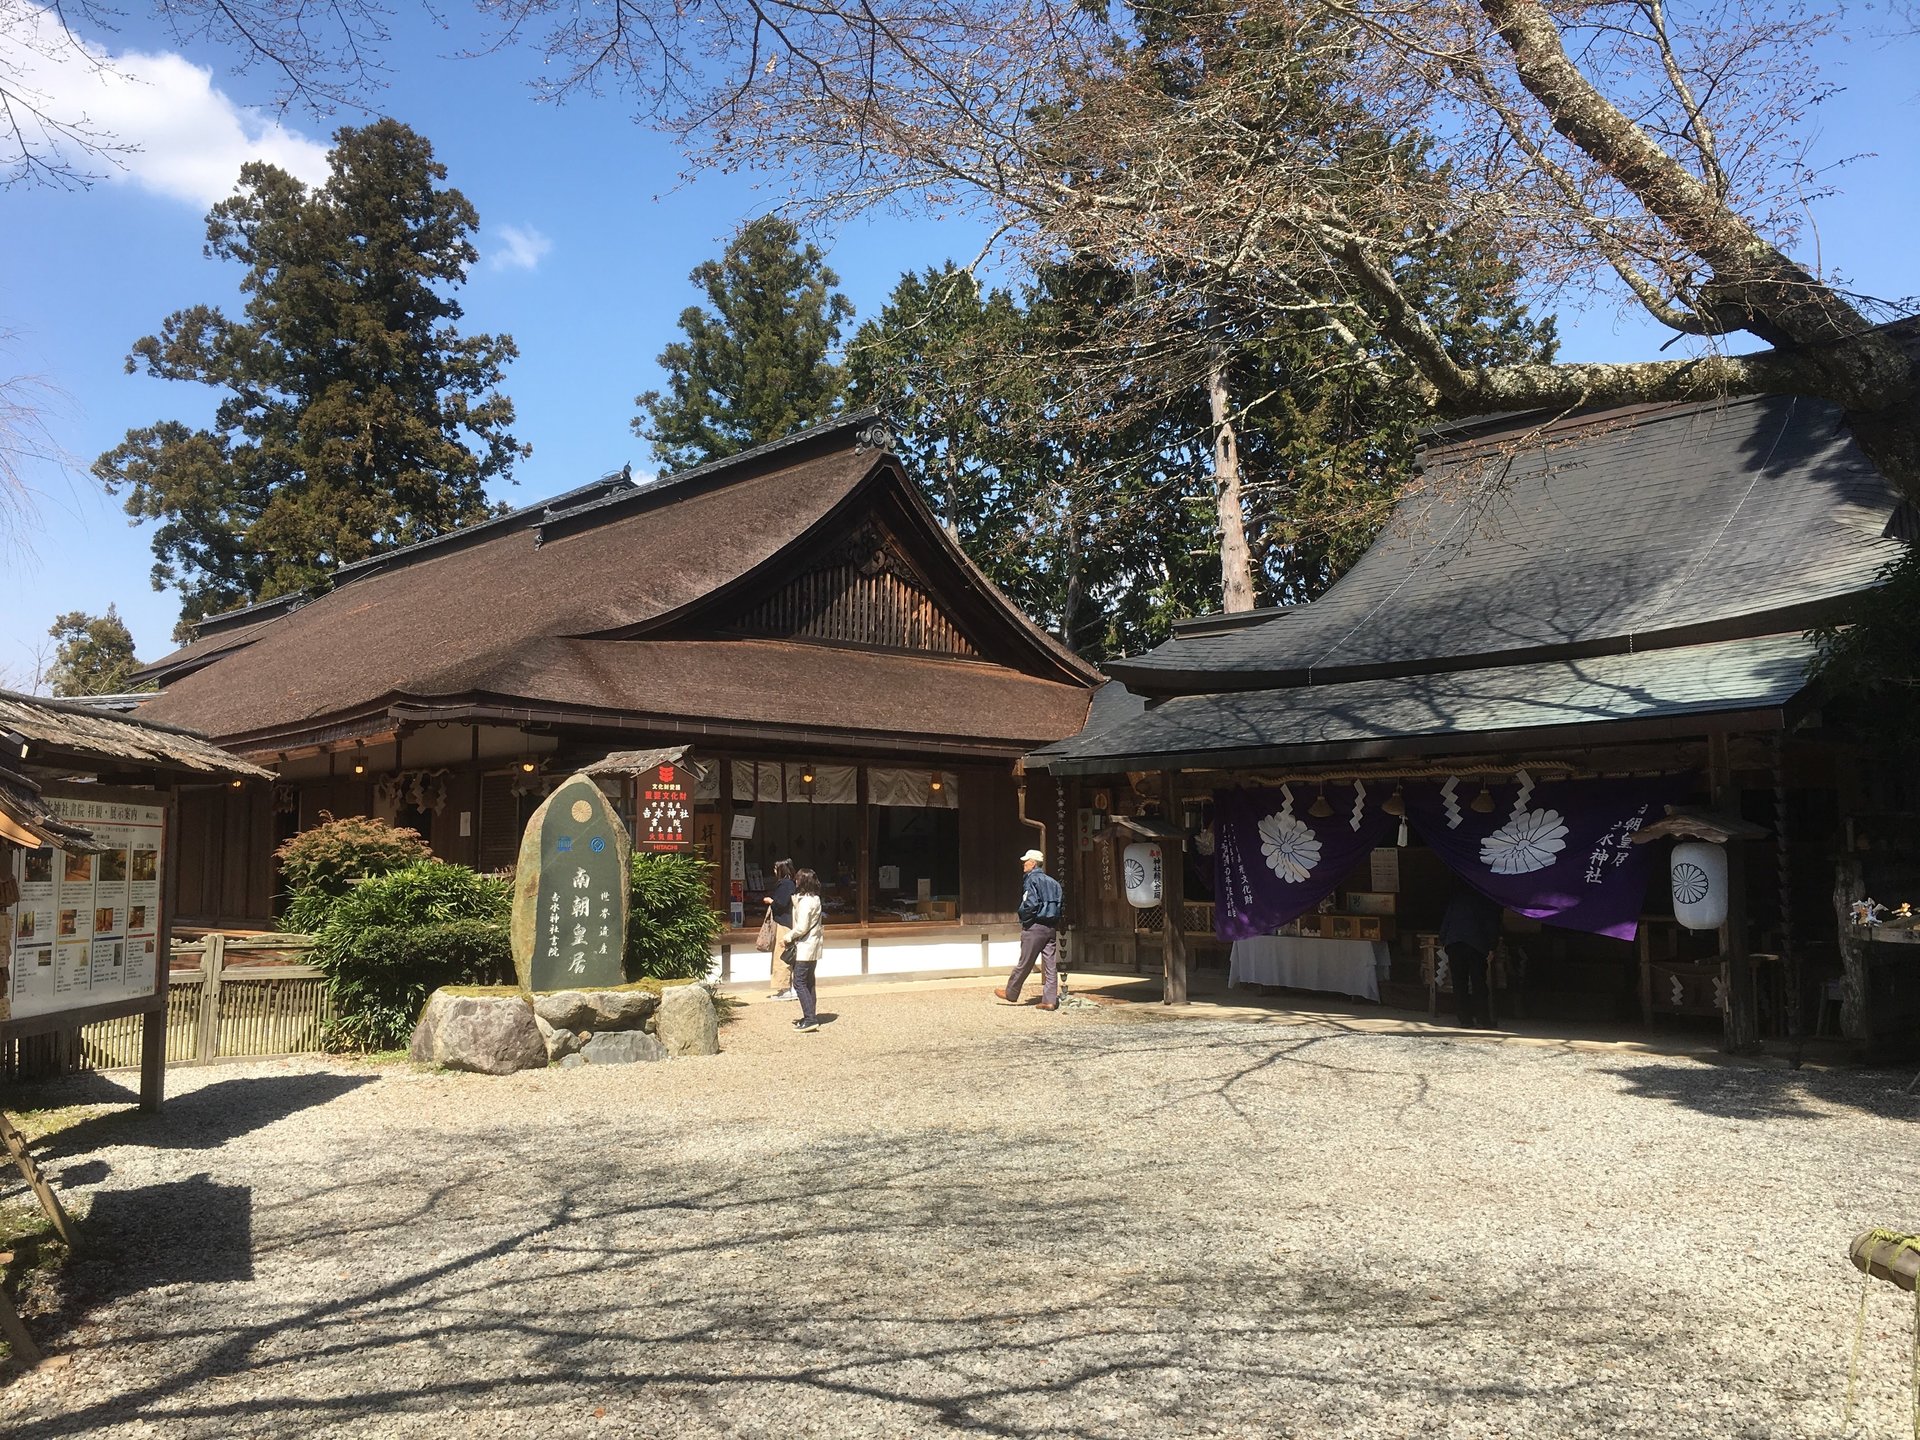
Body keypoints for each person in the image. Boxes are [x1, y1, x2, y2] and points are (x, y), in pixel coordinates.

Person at [997, 848, 1063, 1011]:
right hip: (1050, 927)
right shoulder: (1054, 882)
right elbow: (1060, 905)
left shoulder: (1031, 880)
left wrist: (1025, 919)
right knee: (1050, 965)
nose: (1023, 864)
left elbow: (1030, 904)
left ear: (1033, 863)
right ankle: (1049, 1000)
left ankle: (1011, 992)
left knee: (1025, 962)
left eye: (1026, 861)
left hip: (1035, 926)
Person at [1439, 885, 1503, 1028]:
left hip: (1454, 942)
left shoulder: (1457, 899)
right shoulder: (1486, 899)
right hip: (1476, 943)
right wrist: (1492, 946)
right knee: (1478, 982)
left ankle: (1465, 1019)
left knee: (1459, 982)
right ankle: (1482, 1019)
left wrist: (1444, 939)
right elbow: (1491, 924)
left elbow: (1447, 920)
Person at [787, 867, 825, 1032]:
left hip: (804, 946)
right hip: (814, 946)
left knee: (799, 982)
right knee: (809, 983)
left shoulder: (806, 902)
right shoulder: (815, 899)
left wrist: (789, 936)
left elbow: (802, 927)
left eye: (797, 879)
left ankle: (810, 1019)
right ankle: (811, 1015)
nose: (795, 881)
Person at [763, 859, 797, 1000]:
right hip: (789, 923)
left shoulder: (784, 884)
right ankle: (791, 988)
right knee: (788, 955)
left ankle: (785, 989)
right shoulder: (792, 883)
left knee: (781, 955)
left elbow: (781, 904)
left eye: (776, 868)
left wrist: (771, 901)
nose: (774, 871)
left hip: (783, 923)